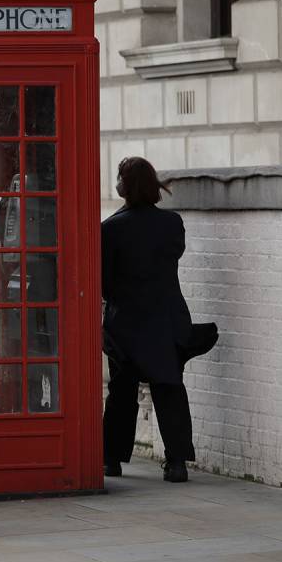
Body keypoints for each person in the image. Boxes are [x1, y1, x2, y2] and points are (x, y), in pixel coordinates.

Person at [101, 157, 196, 483]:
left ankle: (111, 459)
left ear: (123, 186)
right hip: (167, 317)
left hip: (126, 320)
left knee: (121, 392)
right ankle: (177, 462)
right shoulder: (172, 223)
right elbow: (171, 258)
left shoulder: (111, 228)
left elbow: (105, 281)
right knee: (169, 388)